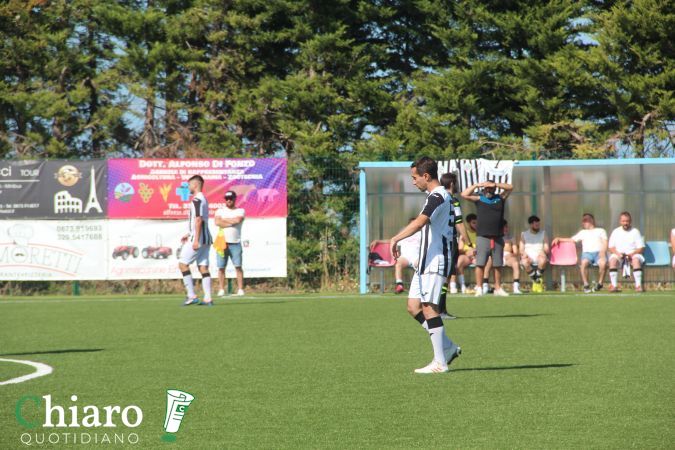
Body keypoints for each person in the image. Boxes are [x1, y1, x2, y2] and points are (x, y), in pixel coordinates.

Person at [389, 156, 461, 374]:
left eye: (415, 178)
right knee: (414, 307)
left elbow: (420, 222)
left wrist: (395, 238)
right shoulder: (436, 196)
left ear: (426, 176)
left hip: (435, 260)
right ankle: (447, 347)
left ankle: (440, 362)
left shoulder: (438, 196)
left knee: (429, 307)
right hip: (425, 261)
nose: (413, 182)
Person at [461, 179, 514, 297]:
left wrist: (495, 184)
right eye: (487, 188)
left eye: (491, 188)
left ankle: (498, 288)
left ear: (494, 189)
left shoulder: (500, 198)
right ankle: (479, 288)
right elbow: (464, 194)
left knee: (497, 264)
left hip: (497, 237)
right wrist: (477, 185)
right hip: (483, 237)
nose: (489, 190)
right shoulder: (480, 198)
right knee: (480, 264)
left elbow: (510, 187)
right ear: (484, 189)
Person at [438, 172, 470, 319]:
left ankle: (438, 309)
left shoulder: (438, 198)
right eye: (456, 182)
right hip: (449, 242)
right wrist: (469, 242)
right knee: (445, 276)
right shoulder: (453, 201)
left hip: (438, 241)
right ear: (452, 184)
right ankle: (440, 311)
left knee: (443, 276)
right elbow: (459, 223)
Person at [179, 175, 213, 306]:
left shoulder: (197, 200)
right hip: (206, 238)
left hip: (198, 239)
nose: (188, 187)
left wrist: (195, 240)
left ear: (195, 185)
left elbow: (198, 220)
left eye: (189, 185)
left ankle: (191, 295)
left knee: (183, 264)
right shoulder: (203, 199)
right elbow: (200, 220)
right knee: (203, 267)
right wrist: (189, 233)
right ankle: (208, 298)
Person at [552, 213, 608, 293]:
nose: (583, 222)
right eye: (583, 221)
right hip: (587, 254)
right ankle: (586, 285)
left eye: (585, 220)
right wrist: (559, 239)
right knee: (583, 264)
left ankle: (600, 283)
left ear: (592, 220)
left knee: (603, 263)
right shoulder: (582, 232)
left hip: (598, 253)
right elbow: (572, 240)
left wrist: (603, 251)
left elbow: (605, 242)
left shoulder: (601, 231)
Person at [214, 190, 245, 297]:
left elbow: (238, 220)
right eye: (227, 199)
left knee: (238, 266)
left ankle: (240, 289)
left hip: (235, 243)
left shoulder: (240, 210)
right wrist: (231, 222)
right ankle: (221, 289)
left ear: (235, 199)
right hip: (222, 243)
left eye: (231, 198)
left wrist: (224, 221)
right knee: (221, 267)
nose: (228, 200)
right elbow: (217, 222)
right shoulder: (219, 211)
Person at [608, 211, 645, 292]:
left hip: (633, 255)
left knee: (636, 260)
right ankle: (614, 286)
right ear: (620, 221)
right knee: (612, 260)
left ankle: (638, 286)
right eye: (623, 221)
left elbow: (641, 248)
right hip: (619, 255)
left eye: (627, 221)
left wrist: (632, 254)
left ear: (630, 221)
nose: (625, 223)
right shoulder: (615, 231)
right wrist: (618, 254)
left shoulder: (635, 231)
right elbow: (611, 247)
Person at [484, 220, 522, 294]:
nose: (505, 229)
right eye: (503, 227)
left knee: (515, 263)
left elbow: (515, 251)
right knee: (488, 261)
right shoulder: (493, 237)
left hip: (507, 256)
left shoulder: (511, 237)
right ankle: (485, 285)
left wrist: (512, 254)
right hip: (495, 255)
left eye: (506, 227)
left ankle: (516, 286)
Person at [520, 215, 549, 291]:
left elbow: (546, 248)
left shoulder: (543, 233)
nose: (538, 226)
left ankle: (535, 280)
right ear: (531, 225)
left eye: (538, 225)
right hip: (528, 257)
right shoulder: (524, 234)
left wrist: (543, 252)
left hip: (539, 256)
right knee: (524, 262)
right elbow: (521, 249)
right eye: (536, 225)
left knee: (543, 260)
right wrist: (524, 254)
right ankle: (537, 280)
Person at [455, 213, 478, 293]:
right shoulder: (464, 234)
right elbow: (460, 249)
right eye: (473, 223)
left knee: (481, 262)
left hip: (477, 256)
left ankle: (479, 285)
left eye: (477, 223)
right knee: (459, 261)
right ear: (468, 223)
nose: (476, 225)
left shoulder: (480, 233)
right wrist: (467, 252)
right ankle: (462, 285)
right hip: (466, 256)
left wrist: (475, 251)